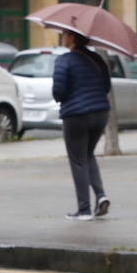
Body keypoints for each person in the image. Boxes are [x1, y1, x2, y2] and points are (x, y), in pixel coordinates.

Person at [53, 30, 112, 221]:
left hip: (76, 115)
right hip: (101, 113)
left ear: (71, 38)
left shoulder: (65, 60)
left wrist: (68, 95)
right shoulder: (97, 59)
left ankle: (84, 210)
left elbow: (58, 92)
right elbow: (106, 87)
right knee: (87, 155)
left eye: (64, 34)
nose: (62, 37)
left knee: (78, 160)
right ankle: (101, 195)